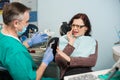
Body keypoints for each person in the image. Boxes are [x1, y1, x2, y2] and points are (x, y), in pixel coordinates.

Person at [0, 2, 54, 80]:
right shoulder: (15, 52)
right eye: (26, 21)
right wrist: (45, 63)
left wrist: (30, 42)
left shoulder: (2, 34)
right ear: (16, 23)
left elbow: (11, 48)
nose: (28, 24)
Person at [55, 13, 98, 80]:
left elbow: (92, 62)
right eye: (73, 25)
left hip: (87, 74)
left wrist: (70, 60)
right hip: (69, 73)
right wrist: (71, 43)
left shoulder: (92, 41)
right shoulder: (63, 39)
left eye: (78, 26)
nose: (75, 28)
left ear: (86, 28)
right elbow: (60, 61)